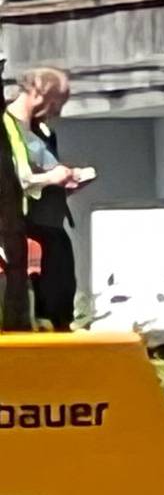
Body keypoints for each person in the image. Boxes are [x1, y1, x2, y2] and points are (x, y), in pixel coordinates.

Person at [4, 67, 93, 331]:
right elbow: (15, 179)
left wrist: (66, 184)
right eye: (56, 102)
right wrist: (51, 178)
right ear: (39, 93)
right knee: (39, 302)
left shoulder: (41, 130)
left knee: (62, 298)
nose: (57, 111)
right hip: (25, 228)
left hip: (52, 226)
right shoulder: (7, 128)